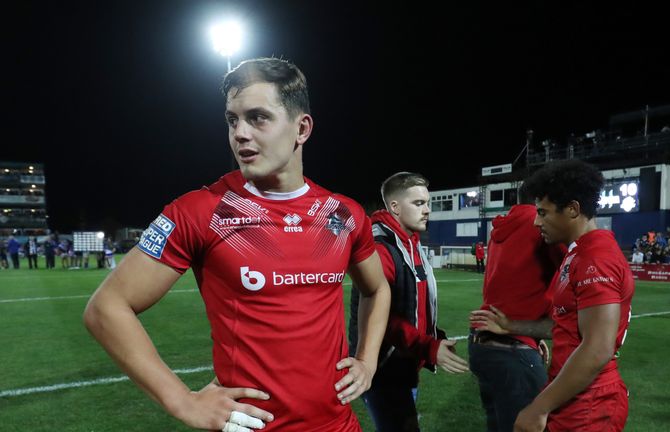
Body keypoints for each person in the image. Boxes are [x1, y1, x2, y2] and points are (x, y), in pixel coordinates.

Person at [83, 57, 391, 432]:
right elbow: (106, 308)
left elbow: (377, 288)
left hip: (339, 425)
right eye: (233, 120)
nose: (240, 133)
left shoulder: (343, 213)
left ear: (302, 128)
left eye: (258, 117)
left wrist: (367, 360)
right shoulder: (200, 211)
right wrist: (182, 400)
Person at [470, 160, 634, 432]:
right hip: (571, 392)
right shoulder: (577, 253)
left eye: (543, 213)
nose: (536, 221)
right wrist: (513, 327)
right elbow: (569, 325)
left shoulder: (596, 259)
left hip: (589, 402)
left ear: (572, 209)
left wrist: (539, 406)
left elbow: (598, 347)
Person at [349, 172, 468, 432]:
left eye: (427, 203)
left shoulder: (409, 242)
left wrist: (435, 336)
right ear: (394, 207)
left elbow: (415, 303)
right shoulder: (381, 246)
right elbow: (382, 318)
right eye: (418, 203)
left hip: (403, 364)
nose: (427, 210)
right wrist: (429, 347)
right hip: (383, 369)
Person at [468, 184, 565, 431]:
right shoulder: (542, 227)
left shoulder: (503, 226)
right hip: (512, 349)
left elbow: (513, 286)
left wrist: (531, 331)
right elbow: (575, 264)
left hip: (483, 344)